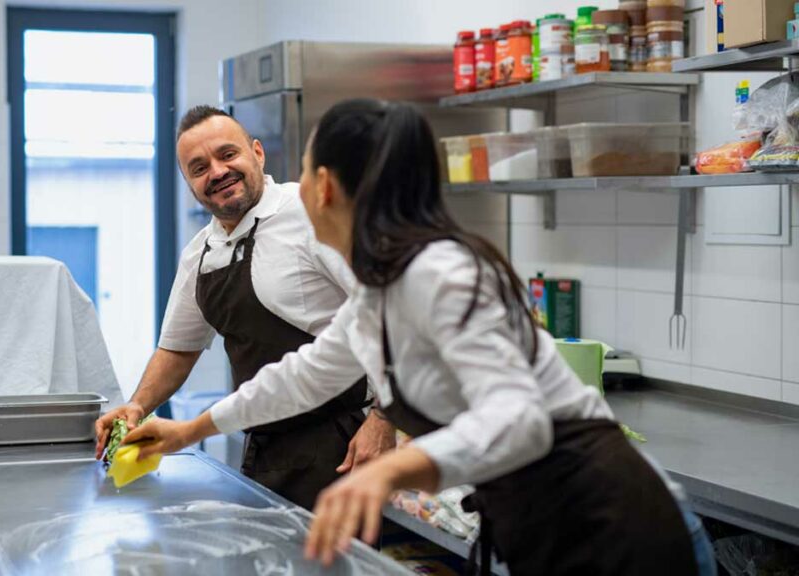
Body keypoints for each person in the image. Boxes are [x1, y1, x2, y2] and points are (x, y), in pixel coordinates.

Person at [122, 99, 704, 575]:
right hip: (541, 520)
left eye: (302, 171)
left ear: (324, 187)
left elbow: (520, 419)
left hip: (611, 518)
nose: (293, 187)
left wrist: (389, 470)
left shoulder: (440, 271)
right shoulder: (382, 289)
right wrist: (191, 429)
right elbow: (302, 375)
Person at [94, 105, 395, 511]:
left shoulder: (310, 214)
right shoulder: (200, 253)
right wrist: (138, 405)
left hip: (340, 443)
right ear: (189, 184)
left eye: (227, 154)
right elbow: (178, 349)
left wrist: (384, 418)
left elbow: (388, 310)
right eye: (198, 168)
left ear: (257, 153)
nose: (217, 172)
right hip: (263, 445)